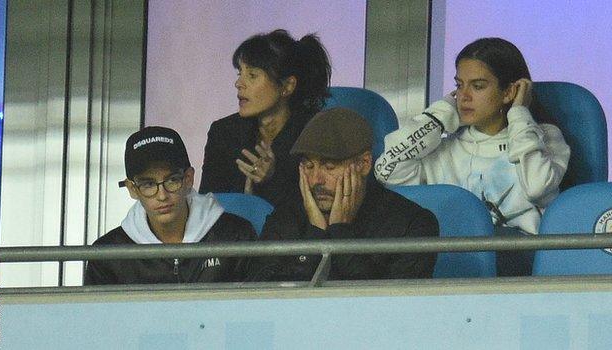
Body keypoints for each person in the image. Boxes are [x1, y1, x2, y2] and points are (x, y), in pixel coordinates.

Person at [374, 37, 571, 276]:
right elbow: (386, 171)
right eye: (459, 85)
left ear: (509, 92)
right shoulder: (444, 149)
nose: (464, 96)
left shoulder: (545, 138)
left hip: (521, 271)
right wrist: (437, 119)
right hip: (452, 267)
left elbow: (538, 187)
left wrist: (519, 114)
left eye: (477, 86)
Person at [249, 108, 439, 282]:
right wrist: (316, 235)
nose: (316, 180)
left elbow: (389, 310)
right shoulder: (287, 216)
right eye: (308, 166)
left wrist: (341, 233)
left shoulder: (412, 224)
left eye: (329, 166)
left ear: (364, 163)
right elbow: (261, 298)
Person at [84, 126, 256, 285]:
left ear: (188, 179)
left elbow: (256, 311)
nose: (162, 195)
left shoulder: (235, 236)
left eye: (172, 180)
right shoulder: (108, 256)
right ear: (132, 189)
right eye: (148, 184)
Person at [199, 29, 332, 206]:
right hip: (233, 232)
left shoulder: (316, 132)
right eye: (240, 73)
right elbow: (207, 204)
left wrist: (272, 180)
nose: (239, 83)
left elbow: (320, 207)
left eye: (252, 75)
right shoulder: (223, 132)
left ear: (287, 85)